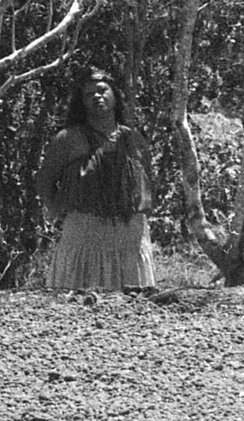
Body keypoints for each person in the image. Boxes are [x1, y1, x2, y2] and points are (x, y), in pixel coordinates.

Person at [37, 66, 156, 290]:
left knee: (132, 302)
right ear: (81, 103)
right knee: (80, 299)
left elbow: (148, 181)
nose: (97, 97)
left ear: (115, 96)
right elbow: (45, 181)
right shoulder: (68, 140)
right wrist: (60, 211)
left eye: (102, 91)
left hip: (128, 234)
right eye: (89, 95)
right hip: (84, 232)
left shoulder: (135, 140)